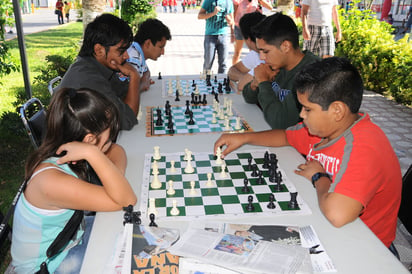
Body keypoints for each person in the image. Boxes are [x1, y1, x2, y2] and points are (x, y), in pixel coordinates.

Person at [214, 57, 402, 252]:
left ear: (337, 111)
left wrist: (318, 177)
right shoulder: (321, 130)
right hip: (331, 228)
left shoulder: (365, 146)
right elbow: (286, 137)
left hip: (369, 248)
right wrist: (245, 138)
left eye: (307, 109)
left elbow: (338, 215)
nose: (302, 115)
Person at [11, 88, 137, 273]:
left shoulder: (63, 151)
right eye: (107, 138)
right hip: (47, 264)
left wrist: (109, 171)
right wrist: (93, 154)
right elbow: (126, 200)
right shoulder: (51, 181)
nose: (110, 142)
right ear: (89, 139)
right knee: (128, 257)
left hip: (71, 237)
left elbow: (117, 151)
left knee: (132, 234)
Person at [59, 14, 139, 130]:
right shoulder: (89, 78)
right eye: (121, 51)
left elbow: (123, 94)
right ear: (99, 50)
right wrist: (134, 76)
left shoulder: (96, 66)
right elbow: (127, 119)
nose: (126, 56)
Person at [242, 13, 320, 129]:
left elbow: (281, 122)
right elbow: (248, 97)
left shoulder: (312, 74)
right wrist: (255, 83)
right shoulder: (279, 65)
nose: (262, 57)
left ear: (285, 46)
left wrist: (264, 82)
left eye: (266, 51)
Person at [121, 18, 171, 94]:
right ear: (147, 43)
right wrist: (142, 85)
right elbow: (127, 93)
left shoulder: (137, 51)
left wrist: (143, 80)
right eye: (160, 47)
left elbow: (146, 71)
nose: (163, 52)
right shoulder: (133, 57)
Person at [228, 11, 265, 92]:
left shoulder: (268, 56)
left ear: (247, 39)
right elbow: (231, 71)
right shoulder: (255, 54)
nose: (263, 56)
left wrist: (246, 80)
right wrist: (244, 78)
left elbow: (241, 86)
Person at [198, 0, 234, 74]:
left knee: (223, 64)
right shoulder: (209, 1)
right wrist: (213, 13)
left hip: (224, 35)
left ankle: (221, 83)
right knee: (208, 64)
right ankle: (205, 83)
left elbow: (231, 21)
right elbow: (199, 16)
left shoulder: (229, 2)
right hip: (210, 36)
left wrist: (229, 20)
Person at [231, 0, 272, 65]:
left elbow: (270, 7)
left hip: (253, 28)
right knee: (237, 52)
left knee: (254, 52)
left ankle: (253, 70)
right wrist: (232, 30)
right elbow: (233, 14)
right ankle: (234, 68)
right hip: (239, 27)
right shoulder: (238, 1)